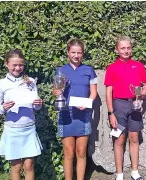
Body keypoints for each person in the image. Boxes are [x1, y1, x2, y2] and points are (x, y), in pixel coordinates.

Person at [0, 49, 43, 180]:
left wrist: (38, 104)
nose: (17, 68)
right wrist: (3, 108)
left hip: (29, 129)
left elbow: (36, 108)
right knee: (16, 167)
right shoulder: (1, 84)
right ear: (6, 64)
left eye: (20, 65)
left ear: (24, 65)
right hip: (12, 130)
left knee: (29, 166)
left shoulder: (31, 82)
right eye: (14, 65)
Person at [104, 36, 146, 180]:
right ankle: (119, 174)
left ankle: (135, 172)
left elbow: (145, 84)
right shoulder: (112, 68)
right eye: (123, 48)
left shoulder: (139, 66)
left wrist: (143, 92)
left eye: (128, 48)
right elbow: (108, 92)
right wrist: (111, 113)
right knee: (119, 139)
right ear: (117, 50)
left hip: (135, 104)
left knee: (134, 137)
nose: (126, 51)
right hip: (119, 105)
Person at [53, 38, 98, 180]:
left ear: (83, 54)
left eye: (79, 53)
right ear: (68, 53)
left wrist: (88, 102)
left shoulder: (89, 70)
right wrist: (57, 92)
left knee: (81, 152)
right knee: (68, 153)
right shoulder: (60, 70)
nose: (76, 55)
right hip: (66, 116)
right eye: (73, 52)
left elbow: (94, 93)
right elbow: (55, 91)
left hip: (83, 115)